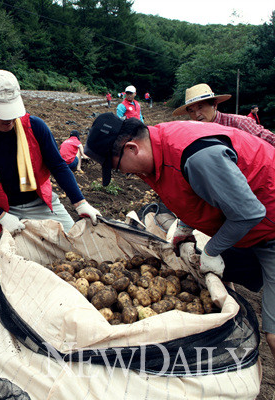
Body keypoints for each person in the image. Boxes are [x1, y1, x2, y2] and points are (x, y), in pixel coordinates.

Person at [84, 112, 275, 361]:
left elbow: (249, 214)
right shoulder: (158, 147)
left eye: (119, 169)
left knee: (272, 331)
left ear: (132, 148)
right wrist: (185, 227)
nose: (125, 175)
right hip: (244, 227)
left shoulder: (198, 158)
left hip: (267, 228)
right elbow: (190, 189)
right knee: (222, 275)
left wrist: (211, 250)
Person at [0, 69, 102, 330]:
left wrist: (81, 203)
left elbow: (58, 166)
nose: (10, 120)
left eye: (13, 110)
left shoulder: (34, 127)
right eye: (2, 112)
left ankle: (80, 295)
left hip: (38, 199)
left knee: (76, 241)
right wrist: (1, 216)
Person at [173, 84, 275, 146]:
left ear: (214, 105)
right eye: (191, 111)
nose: (197, 114)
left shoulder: (238, 122)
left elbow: (268, 138)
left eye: (200, 107)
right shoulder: (195, 133)